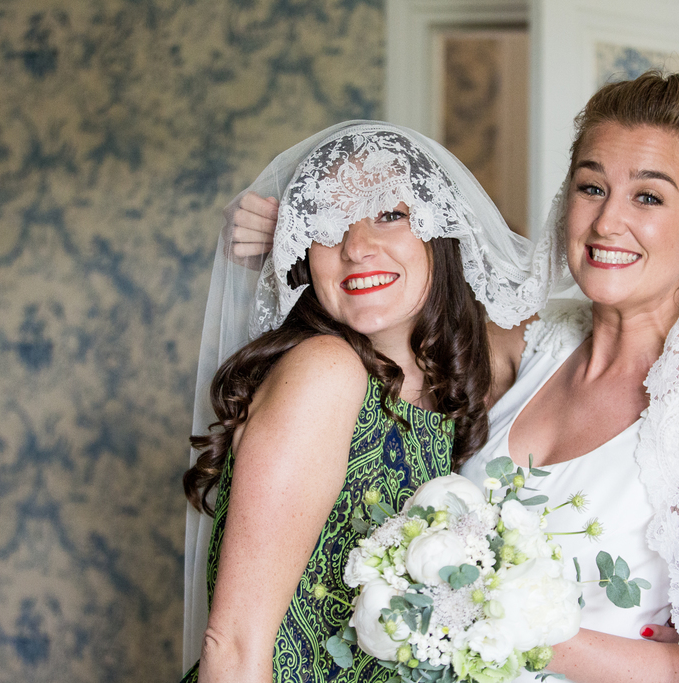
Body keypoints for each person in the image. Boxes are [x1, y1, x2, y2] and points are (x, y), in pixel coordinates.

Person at [228, 72, 679, 683]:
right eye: (592, 187)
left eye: (648, 197)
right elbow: (397, 313)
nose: (606, 223)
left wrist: (505, 617)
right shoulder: (528, 343)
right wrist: (314, 232)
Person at [181, 121, 546, 682]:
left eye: (389, 214)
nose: (355, 246)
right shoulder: (326, 371)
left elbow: (566, 320)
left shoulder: (443, 390)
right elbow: (233, 642)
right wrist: (295, 245)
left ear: (441, 231)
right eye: (327, 222)